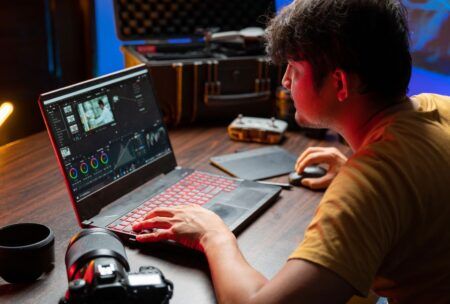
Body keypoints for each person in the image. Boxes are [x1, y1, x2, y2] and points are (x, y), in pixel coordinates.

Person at [132, 0, 450, 303]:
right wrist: (361, 172)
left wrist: (213, 234)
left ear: (339, 84)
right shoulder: (438, 107)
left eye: (294, 70)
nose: (284, 81)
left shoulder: (371, 185)